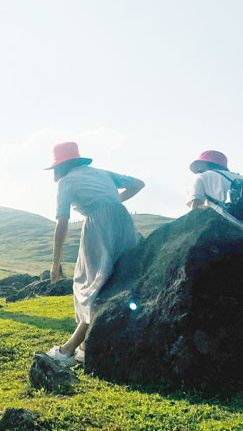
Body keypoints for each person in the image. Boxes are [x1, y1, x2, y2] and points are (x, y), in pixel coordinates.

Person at [43, 142, 144, 367]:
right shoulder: (99, 173)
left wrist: (55, 262)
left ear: (60, 167)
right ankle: (84, 347)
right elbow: (139, 184)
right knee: (110, 281)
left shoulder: (66, 182)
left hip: (99, 224)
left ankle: (68, 350)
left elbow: (62, 222)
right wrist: (114, 202)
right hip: (124, 221)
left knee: (89, 284)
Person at [186, 150, 243, 252]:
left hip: (230, 239)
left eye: (198, 165)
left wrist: (189, 237)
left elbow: (196, 207)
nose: (197, 169)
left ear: (204, 164)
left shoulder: (201, 177)